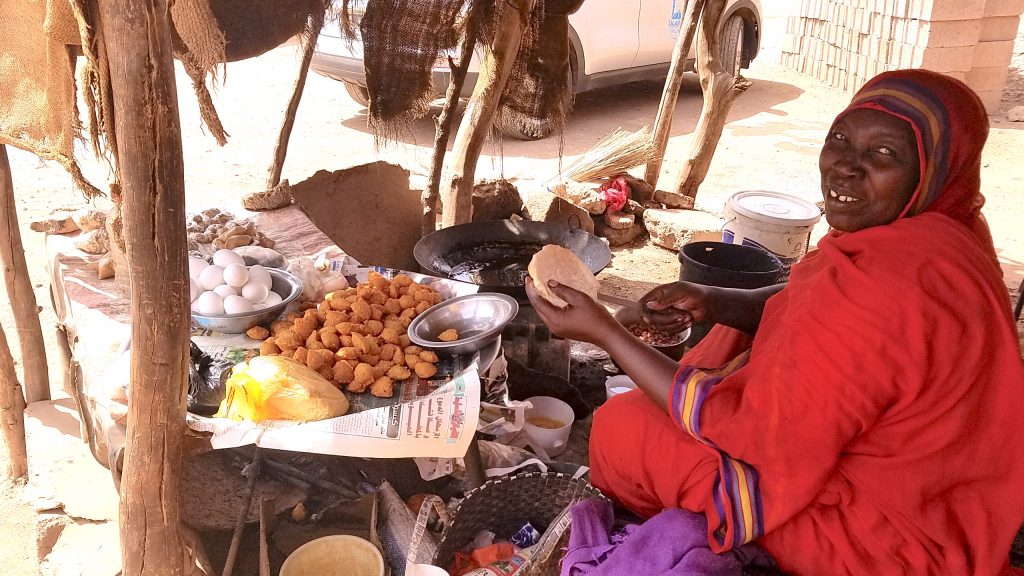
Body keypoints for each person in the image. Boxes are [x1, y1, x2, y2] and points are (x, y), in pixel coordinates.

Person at [525, 69, 1024, 576]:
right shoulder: (940, 231)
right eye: (840, 140)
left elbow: (758, 435)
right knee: (727, 338)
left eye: (884, 154)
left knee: (618, 431)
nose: (845, 168)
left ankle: (691, 544)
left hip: (883, 538)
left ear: (934, 170)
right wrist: (713, 299)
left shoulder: (892, 287)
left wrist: (606, 334)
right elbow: (801, 304)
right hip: (934, 494)